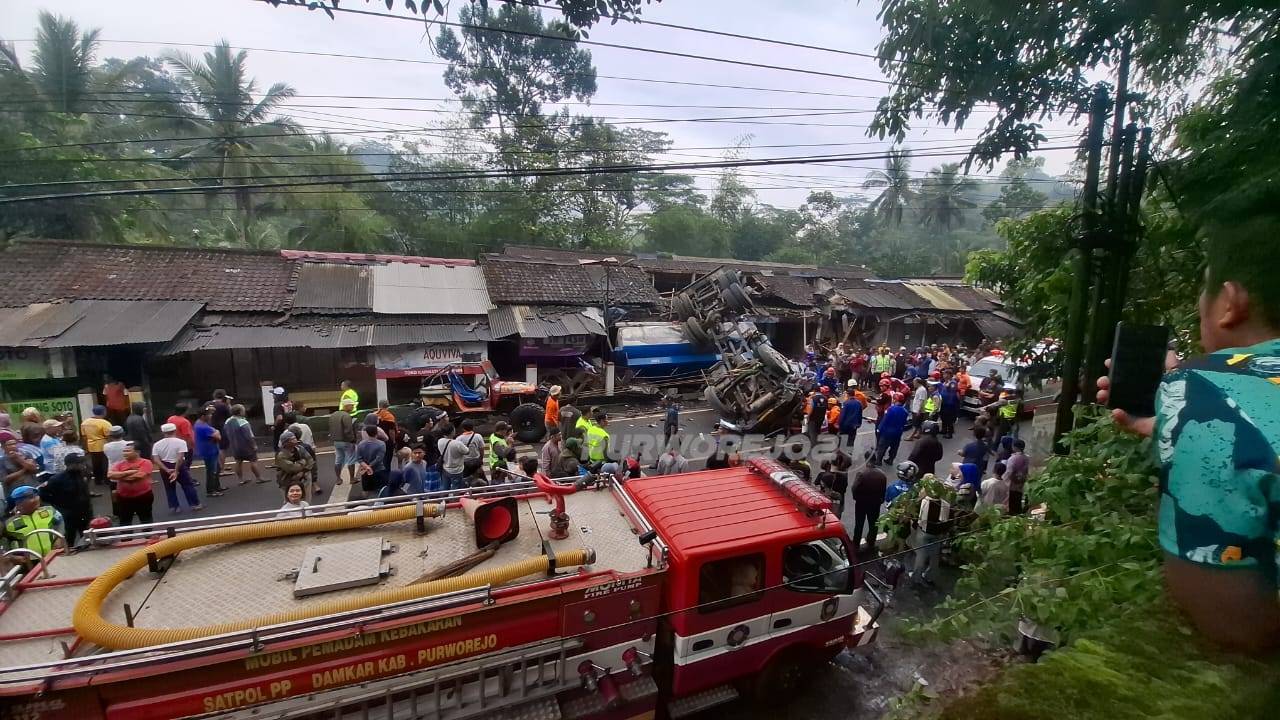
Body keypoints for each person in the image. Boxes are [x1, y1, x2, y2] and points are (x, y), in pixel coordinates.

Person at [1096, 216, 1280, 652]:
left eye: (1205, 288)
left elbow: (1233, 625)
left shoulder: (1201, 393)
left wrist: (1191, 408)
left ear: (1230, 301)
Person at [40, 453, 92, 546]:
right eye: (79, 463)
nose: (82, 465)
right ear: (71, 464)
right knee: (68, 540)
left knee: (88, 538)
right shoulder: (57, 479)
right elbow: (43, 494)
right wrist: (58, 503)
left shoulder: (83, 474)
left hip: (84, 513)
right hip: (67, 515)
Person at [153, 423, 202, 512]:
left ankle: (174, 507)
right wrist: (176, 471)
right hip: (179, 466)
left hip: (165, 466)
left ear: (163, 432)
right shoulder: (181, 442)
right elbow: (180, 458)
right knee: (187, 485)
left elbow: (156, 460)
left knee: (169, 487)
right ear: (175, 431)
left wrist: (167, 470)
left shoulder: (156, 444)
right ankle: (195, 504)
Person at [4, 485, 64, 557]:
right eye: (31, 497)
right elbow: (4, 543)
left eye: (36, 495)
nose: (37, 498)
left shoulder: (49, 510)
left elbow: (60, 523)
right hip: (29, 562)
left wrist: (59, 539)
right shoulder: (8, 522)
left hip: (52, 555)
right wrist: (13, 557)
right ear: (18, 503)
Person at [910, 483, 952, 586]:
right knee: (935, 556)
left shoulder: (924, 502)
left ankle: (917, 577)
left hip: (924, 532)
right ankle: (930, 576)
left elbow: (916, 518)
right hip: (937, 534)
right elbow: (948, 521)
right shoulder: (946, 504)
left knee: (921, 555)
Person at [108, 442, 154, 526]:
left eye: (128, 451)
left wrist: (119, 475)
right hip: (123, 498)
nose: (124, 453)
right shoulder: (119, 464)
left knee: (146, 519)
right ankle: (126, 539)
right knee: (125, 521)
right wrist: (130, 471)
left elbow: (136, 477)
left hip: (143, 496)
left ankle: (149, 537)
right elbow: (110, 475)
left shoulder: (146, 462)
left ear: (137, 452)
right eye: (124, 451)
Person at [850, 457, 888, 550]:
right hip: (875, 503)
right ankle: (871, 541)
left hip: (861, 503)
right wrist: (881, 500)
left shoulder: (862, 474)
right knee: (873, 523)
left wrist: (856, 497)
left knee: (859, 523)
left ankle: (856, 543)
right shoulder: (882, 475)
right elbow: (883, 489)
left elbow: (854, 488)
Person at [224, 404, 264, 484]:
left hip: (234, 445)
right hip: (246, 446)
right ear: (239, 412)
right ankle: (259, 478)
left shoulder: (227, 421)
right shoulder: (243, 422)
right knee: (253, 461)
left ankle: (240, 480)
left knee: (238, 461)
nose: (244, 411)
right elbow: (249, 436)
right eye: (243, 410)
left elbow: (226, 432)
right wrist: (254, 445)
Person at [193, 406, 224, 497]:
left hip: (210, 450)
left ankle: (217, 486)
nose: (211, 416)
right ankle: (211, 490)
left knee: (216, 469)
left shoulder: (199, 423)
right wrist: (217, 432)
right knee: (212, 471)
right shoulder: (203, 427)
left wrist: (216, 432)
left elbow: (215, 433)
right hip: (209, 451)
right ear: (203, 416)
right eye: (209, 414)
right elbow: (218, 437)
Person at [275, 431, 315, 500]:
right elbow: (292, 468)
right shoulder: (281, 455)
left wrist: (303, 471)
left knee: (306, 499)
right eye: (292, 439)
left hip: (304, 477)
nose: (295, 440)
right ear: (286, 442)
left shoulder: (300, 448)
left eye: (295, 438)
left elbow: (310, 460)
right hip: (287, 480)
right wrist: (303, 461)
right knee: (290, 501)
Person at [81, 405, 112, 490]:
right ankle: (106, 479)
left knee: (95, 464)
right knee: (105, 463)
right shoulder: (105, 423)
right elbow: (109, 436)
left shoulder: (85, 422)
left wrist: (85, 447)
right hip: (103, 445)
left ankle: (97, 480)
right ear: (104, 412)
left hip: (91, 445)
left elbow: (84, 436)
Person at [287, 421, 322, 497]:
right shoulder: (306, 427)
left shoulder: (287, 449)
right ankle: (315, 485)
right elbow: (312, 462)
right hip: (306, 471)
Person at [328, 397, 357, 486]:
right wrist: (352, 440)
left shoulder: (333, 415)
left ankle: (338, 479)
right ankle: (352, 478)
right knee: (351, 459)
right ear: (346, 406)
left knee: (338, 459)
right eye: (351, 405)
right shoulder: (346, 416)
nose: (352, 407)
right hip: (346, 441)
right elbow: (348, 430)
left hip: (336, 441)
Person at [875, 394, 909, 464]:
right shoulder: (905, 411)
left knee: (882, 446)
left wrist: (879, 429)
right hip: (898, 432)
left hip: (887, 432)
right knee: (894, 447)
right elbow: (904, 422)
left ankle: (879, 461)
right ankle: (891, 460)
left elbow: (885, 420)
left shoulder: (891, 409)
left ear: (895, 400)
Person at [356, 425, 388, 494]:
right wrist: (370, 466)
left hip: (365, 471)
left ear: (367, 433)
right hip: (378, 470)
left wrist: (366, 467)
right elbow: (379, 459)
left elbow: (359, 459)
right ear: (377, 433)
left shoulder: (361, 444)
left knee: (366, 491)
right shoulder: (381, 444)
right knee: (381, 491)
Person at [209, 389, 232, 475]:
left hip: (211, 428)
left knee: (215, 448)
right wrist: (228, 404)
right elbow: (231, 415)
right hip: (222, 429)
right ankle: (221, 469)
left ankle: (219, 466)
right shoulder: (223, 405)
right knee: (223, 449)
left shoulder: (208, 404)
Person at [438, 424, 467, 490]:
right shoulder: (457, 443)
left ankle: (445, 499)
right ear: (452, 431)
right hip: (457, 470)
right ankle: (454, 500)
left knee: (445, 487)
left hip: (445, 468)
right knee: (456, 488)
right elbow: (467, 451)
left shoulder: (440, 441)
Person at [1004, 439, 1030, 515]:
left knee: (1011, 505)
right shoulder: (1026, 458)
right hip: (1021, 484)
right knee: (1017, 503)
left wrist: (1005, 481)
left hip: (1012, 485)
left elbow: (1009, 472)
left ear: (1014, 447)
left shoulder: (1013, 458)